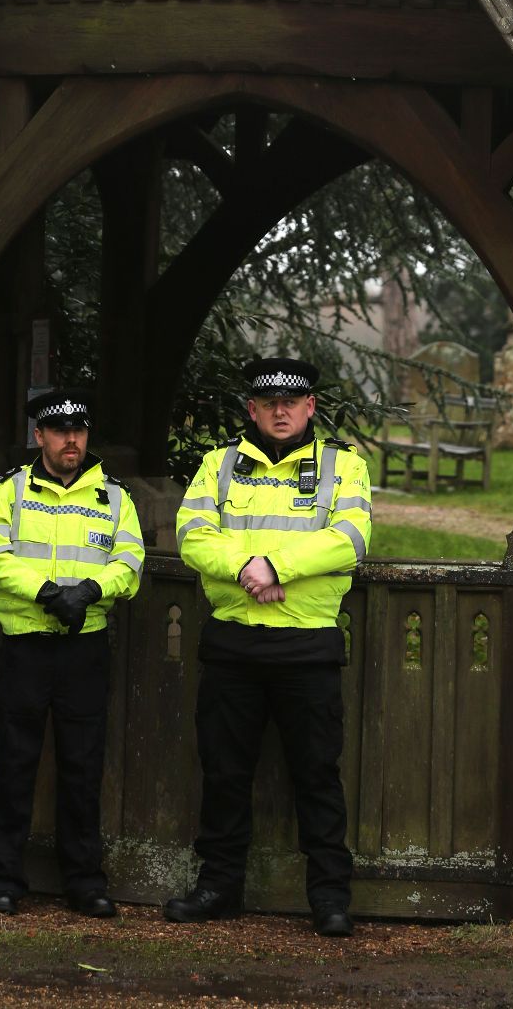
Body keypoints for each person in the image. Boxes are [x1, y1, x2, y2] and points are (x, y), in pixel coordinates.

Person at [165, 357, 372, 937]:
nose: (281, 411)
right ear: (251, 409)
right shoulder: (219, 465)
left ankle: (330, 898)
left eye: (293, 401)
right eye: (268, 402)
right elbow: (192, 535)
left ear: (310, 407)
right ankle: (219, 888)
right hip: (234, 643)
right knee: (225, 774)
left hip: (307, 646)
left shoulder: (343, 466)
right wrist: (248, 568)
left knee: (316, 776)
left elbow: (351, 538)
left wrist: (277, 563)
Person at [0, 385, 144, 917]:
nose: (72, 440)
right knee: (15, 764)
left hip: (84, 647)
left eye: (80, 431)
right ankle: (3, 881)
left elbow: (131, 560)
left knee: (82, 766)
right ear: (39, 435)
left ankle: (85, 884)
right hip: (26, 644)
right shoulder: (7, 492)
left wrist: (89, 592)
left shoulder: (113, 497)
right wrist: (47, 593)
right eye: (61, 431)